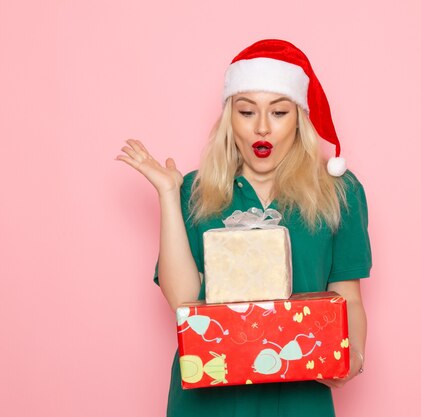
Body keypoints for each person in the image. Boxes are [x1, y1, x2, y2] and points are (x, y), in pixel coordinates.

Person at [116, 39, 372, 417]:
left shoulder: (340, 192)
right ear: (229, 118)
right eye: (248, 111)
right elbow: (184, 302)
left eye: (279, 112)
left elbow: (347, 296)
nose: (263, 128)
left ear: (299, 119)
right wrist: (169, 196)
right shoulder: (194, 190)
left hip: (300, 397)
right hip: (208, 400)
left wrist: (354, 355)